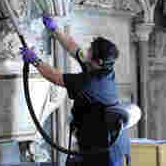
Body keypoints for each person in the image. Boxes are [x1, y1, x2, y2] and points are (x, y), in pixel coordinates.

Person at [20, 15, 130, 166]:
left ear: (98, 62)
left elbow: (56, 77)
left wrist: (35, 60)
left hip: (102, 152)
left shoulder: (91, 83)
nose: (87, 51)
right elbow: (75, 49)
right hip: (100, 142)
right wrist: (55, 29)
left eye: (91, 51)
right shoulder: (104, 68)